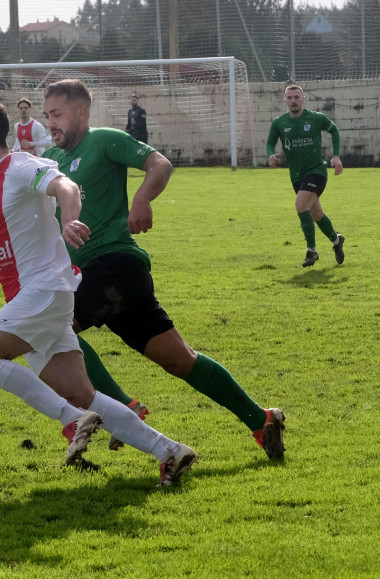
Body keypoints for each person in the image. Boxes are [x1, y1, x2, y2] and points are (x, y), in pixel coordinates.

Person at [0, 99, 197, 484]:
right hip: (33, 298)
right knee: (83, 393)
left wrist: (70, 219)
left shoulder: (21, 165)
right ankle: (170, 451)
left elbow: (67, 186)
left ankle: (71, 421)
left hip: (44, 289)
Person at [40, 79, 286, 460]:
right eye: (47, 115)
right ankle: (262, 419)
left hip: (115, 264)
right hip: (102, 277)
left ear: (81, 112)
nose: (50, 121)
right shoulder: (51, 159)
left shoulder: (103, 139)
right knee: (180, 359)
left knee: (50, 329)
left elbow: (159, 163)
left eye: (57, 114)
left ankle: (122, 406)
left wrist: (142, 198)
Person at [267, 84, 346, 268]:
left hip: (317, 171)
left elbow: (333, 130)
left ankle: (312, 251)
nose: (293, 101)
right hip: (296, 175)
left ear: (304, 99)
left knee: (301, 205)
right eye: (290, 98)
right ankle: (337, 241)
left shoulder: (316, 118)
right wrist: (270, 154)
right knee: (316, 214)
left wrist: (335, 155)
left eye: (297, 97)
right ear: (284, 100)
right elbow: (270, 142)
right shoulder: (280, 122)